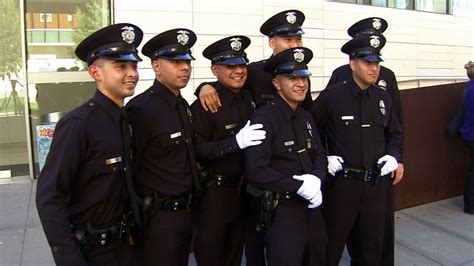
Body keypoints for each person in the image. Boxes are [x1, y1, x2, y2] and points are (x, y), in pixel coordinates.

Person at [36, 23, 143, 266]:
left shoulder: (123, 118)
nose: (132, 73)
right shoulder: (78, 124)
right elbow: (49, 196)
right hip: (94, 254)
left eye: (134, 65)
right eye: (120, 66)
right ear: (95, 73)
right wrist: (68, 258)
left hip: (126, 246)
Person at [311, 34, 403, 266]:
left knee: (370, 252)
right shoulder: (333, 96)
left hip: (374, 187)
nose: (375, 69)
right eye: (367, 63)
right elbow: (310, 130)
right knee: (329, 249)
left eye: (377, 63)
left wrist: (394, 155)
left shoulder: (383, 98)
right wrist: (324, 157)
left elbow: (395, 133)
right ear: (352, 64)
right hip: (343, 187)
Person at [245, 47, 328, 266]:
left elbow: (320, 154)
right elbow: (256, 171)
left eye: (304, 78)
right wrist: (297, 185)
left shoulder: (306, 116)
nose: (301, 84)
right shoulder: (265, 119)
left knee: (318, 257)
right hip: (282, 211)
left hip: (311, 206)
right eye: (292, 78)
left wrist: (317, 179)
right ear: (276, 83)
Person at [191, 35, 266, 266]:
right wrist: (235, 143)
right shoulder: (206, 103)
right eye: (230, 66)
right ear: (215, 70)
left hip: (244, 191)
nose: (238, 71)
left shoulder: (248, 97)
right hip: (216, 194)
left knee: (235, 253)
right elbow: (198, 149)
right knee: (212, 254)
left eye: (242, 64)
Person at [125, 28, 198, 266]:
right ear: (156, 67)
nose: (185, 67)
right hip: (158, 220)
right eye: (176, 62)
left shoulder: (183, 105)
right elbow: (129, 170)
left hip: (185, 215)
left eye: (187, 61)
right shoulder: (142, 110)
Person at [197, 9, 312, 114]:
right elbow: (228, 83)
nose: (295, 45)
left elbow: (307, 109)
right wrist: (204, 87)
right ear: (272, 43)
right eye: (288, 40)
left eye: (299, 39)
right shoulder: (256, 72)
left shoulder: (302, 73)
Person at [460, 60, 474, 214]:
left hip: (468, 134)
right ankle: (470, 205)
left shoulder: (468, 89)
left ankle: (470, 204)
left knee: (472, 170)